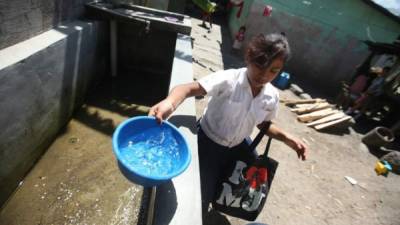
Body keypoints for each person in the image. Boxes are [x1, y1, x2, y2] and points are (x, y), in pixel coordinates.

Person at [148, 33, 307, 220]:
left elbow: (263, 123)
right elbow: (187, 88)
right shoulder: (228, 80)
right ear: (249, 57)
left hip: (238, 148)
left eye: (273, 70)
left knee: (231, 189)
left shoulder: (271, 96)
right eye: (259, 65)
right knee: (201, 194)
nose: (264, 75)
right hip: (208, 144)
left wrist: (288, 138)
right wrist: (170, 103)